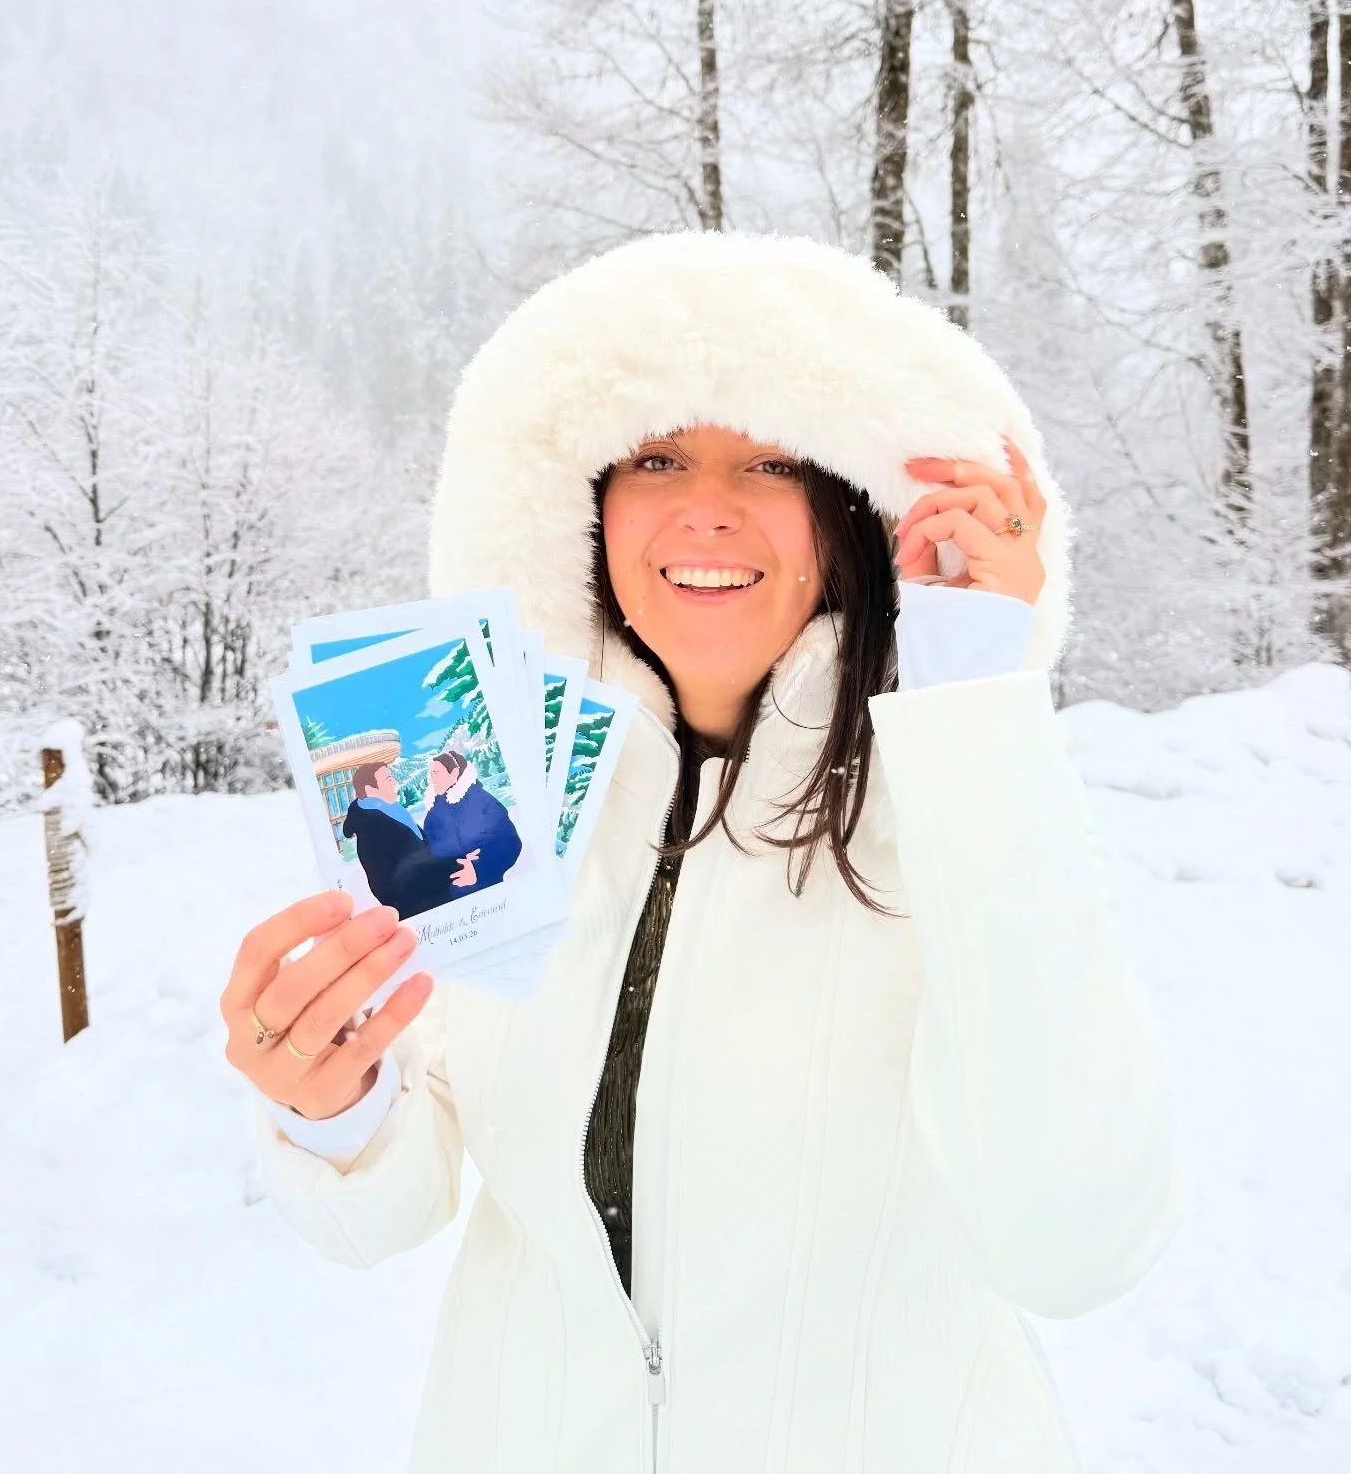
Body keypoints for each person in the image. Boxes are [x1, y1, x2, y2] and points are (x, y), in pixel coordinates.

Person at [221, 231, 1186, 1473]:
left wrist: (973, 713)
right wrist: (333, 1106)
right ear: (587, 503)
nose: (705, 507)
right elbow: (397, 1205)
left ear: (851, 510)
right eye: (658, 454)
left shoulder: (961, 804)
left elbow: (1076, 1242)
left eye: (775, 460)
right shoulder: (493, 789)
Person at [340, 761, 468, 919]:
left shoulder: (390, 812)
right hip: (420, 907)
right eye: (388, 779)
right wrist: (458, 864)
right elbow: (407, 874)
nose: (394, 783)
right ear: (370, 790)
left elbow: (422, 854)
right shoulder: (374, 828)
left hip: (431, 897)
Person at [419, 748, 523, 893]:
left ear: (454, 773)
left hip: (487, 890)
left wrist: (478, 869)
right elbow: (430, 852)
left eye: (436, 773)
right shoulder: (433, 814)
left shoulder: (483, 802)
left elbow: (510, 842)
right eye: (431, 774)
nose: (432, 779)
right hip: (447, 896)